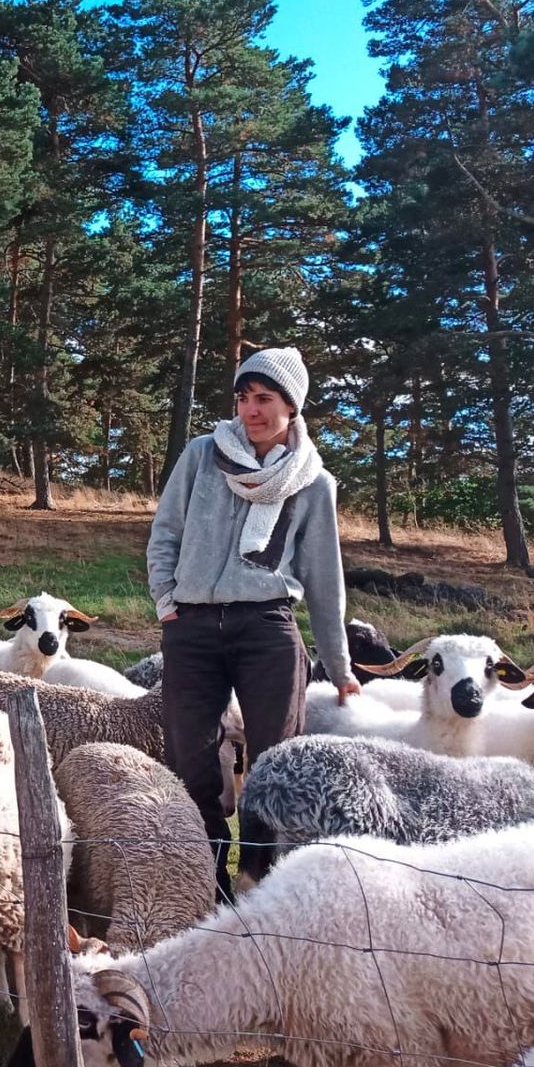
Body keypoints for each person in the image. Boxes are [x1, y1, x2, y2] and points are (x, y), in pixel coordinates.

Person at [145, 346, 358, 893]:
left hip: (267, 629)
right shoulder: (201, 456)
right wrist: (167, 601)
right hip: (191, 629)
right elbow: (165, 532)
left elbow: (323, 576)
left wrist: (338, 665)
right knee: (189, 758)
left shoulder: (313, 483)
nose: (250, 410)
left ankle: (257, 881)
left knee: (274, 764)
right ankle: (206, 877)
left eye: (264, 399)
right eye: (243, 398)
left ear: (292, 405)